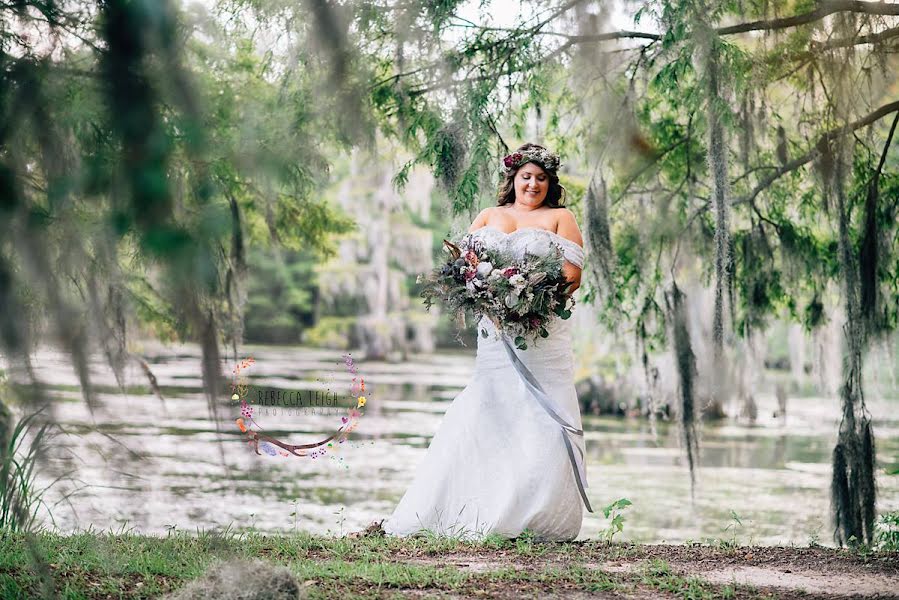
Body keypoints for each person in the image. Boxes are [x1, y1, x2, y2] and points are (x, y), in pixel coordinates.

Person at [381, 143, 591, 541]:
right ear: (512, 178)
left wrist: (531, 299)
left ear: (551, 183)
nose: (533, 184)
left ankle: (534, 514)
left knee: (539, 415)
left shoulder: (561, 217)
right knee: (490, 407)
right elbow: (462, 267)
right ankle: (474, 506)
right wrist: (484, 294)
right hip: (494, 334)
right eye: (526, 176)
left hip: (540, 334)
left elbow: (572, 275)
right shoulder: (488, 215)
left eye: (541, 178)